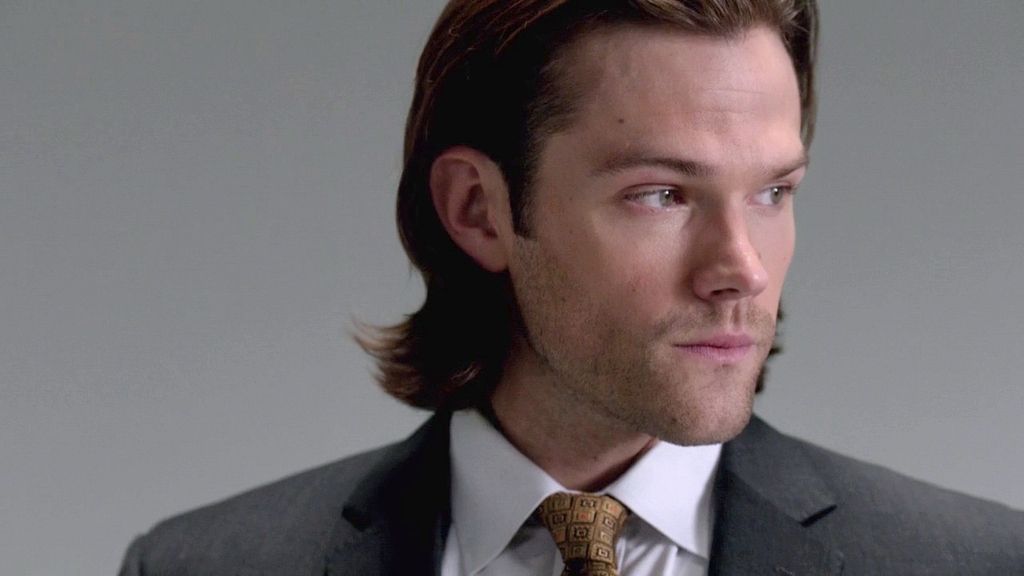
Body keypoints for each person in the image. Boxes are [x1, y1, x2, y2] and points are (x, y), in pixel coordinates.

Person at [119, 1, 1024, 574]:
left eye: (772, 193)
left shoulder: (976, 563)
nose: (743, 268)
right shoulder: (204, 566)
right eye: (661, 194)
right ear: (478, 210)